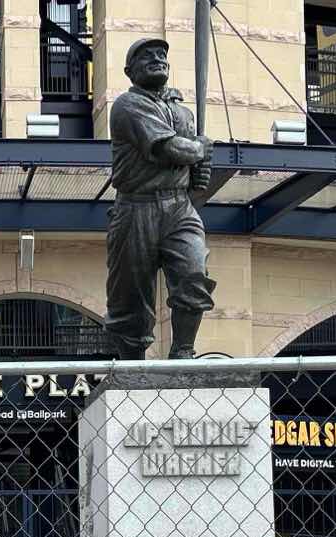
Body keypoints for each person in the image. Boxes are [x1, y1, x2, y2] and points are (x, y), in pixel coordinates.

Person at [105, 36, 218, 361]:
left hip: (179, 207)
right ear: (130, 71)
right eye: (146, 56)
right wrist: (200, 149)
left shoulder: (182, 111)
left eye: (161, 55)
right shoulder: (127, 105)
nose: (157, 59)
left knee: (194, 274)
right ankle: (130, 367)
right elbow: (169, 148)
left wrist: (199, 163)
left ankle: (183, 352)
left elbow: (194, 167)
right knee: (130, 299)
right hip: (136, 208)